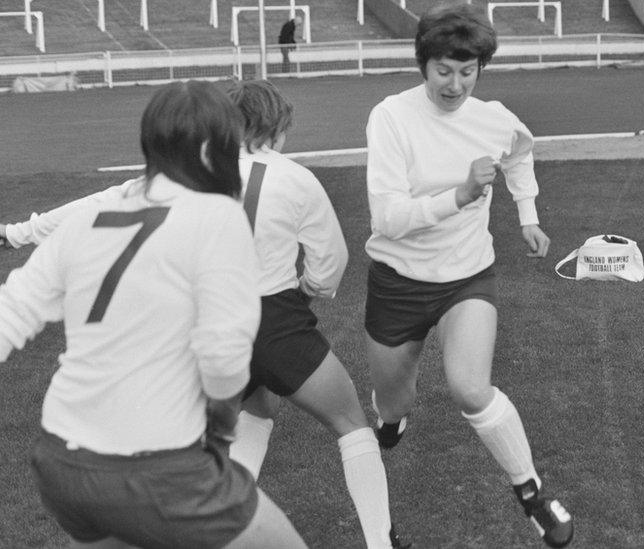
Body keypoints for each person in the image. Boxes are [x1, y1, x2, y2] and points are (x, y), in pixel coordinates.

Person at [1, 80, 408, 549]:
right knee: (337, 434)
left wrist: (16, 233)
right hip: (158, 458)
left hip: (59, 462)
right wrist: (218, 422)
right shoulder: (212, 220)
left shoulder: (110, 211)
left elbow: (13, 308)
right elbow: (226, 350)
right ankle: (378, 540)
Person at [363, 4, 572, 547]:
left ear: (480, 68)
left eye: (467, 71)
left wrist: (528, 215)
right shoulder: (390, 116)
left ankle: (531, 492)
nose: (455, 84)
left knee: (469, 387)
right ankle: (391, 417)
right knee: (394, 402)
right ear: (423, 65)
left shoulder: (495, 118)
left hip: (465, 277)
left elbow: (519, 153)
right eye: (443, 71)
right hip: (398, 279)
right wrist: (459, 194)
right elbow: (387, 218)